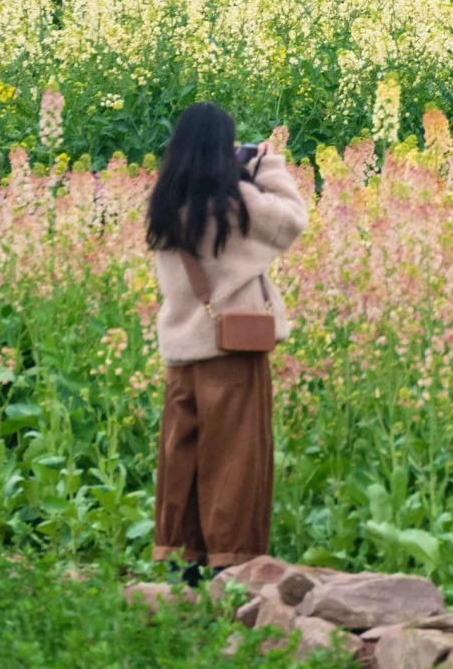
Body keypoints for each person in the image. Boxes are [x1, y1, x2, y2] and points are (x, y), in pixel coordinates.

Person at [146, 101, 308, 578]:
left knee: (183, 458)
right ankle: (231, 564)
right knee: (235, 461)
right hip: (231, 351)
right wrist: (265, 164)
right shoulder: (234, 203)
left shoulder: (164, 202)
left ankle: (180, 560)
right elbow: (292, 218)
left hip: (182, 353)